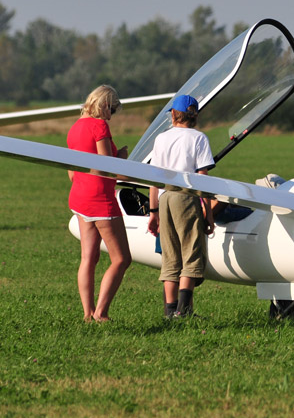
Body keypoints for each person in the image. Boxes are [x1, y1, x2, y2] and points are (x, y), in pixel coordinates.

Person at [67, 85, 133, 322]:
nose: (111, 115)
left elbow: (72, 173)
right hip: (100, 199)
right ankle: (101, 313)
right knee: (121, 258)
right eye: (113, 109)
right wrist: (122, 159)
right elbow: (108, 167)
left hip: (79, 197)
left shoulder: (74, 128)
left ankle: (87, 313)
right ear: (105, 105)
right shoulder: (99, 126)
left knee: (89, 257)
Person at [146, 94, 215, 318]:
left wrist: (153, 211)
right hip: (186, 197)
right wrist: (209, 212)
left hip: (165, 198)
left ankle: (169, 311)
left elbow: (154, 178)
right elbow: (202, 178)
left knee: (170, 255)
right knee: (191, 253)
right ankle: (184, 312)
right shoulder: (199, 138)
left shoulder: (161, 139)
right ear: (194, 115)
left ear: (174, 114)